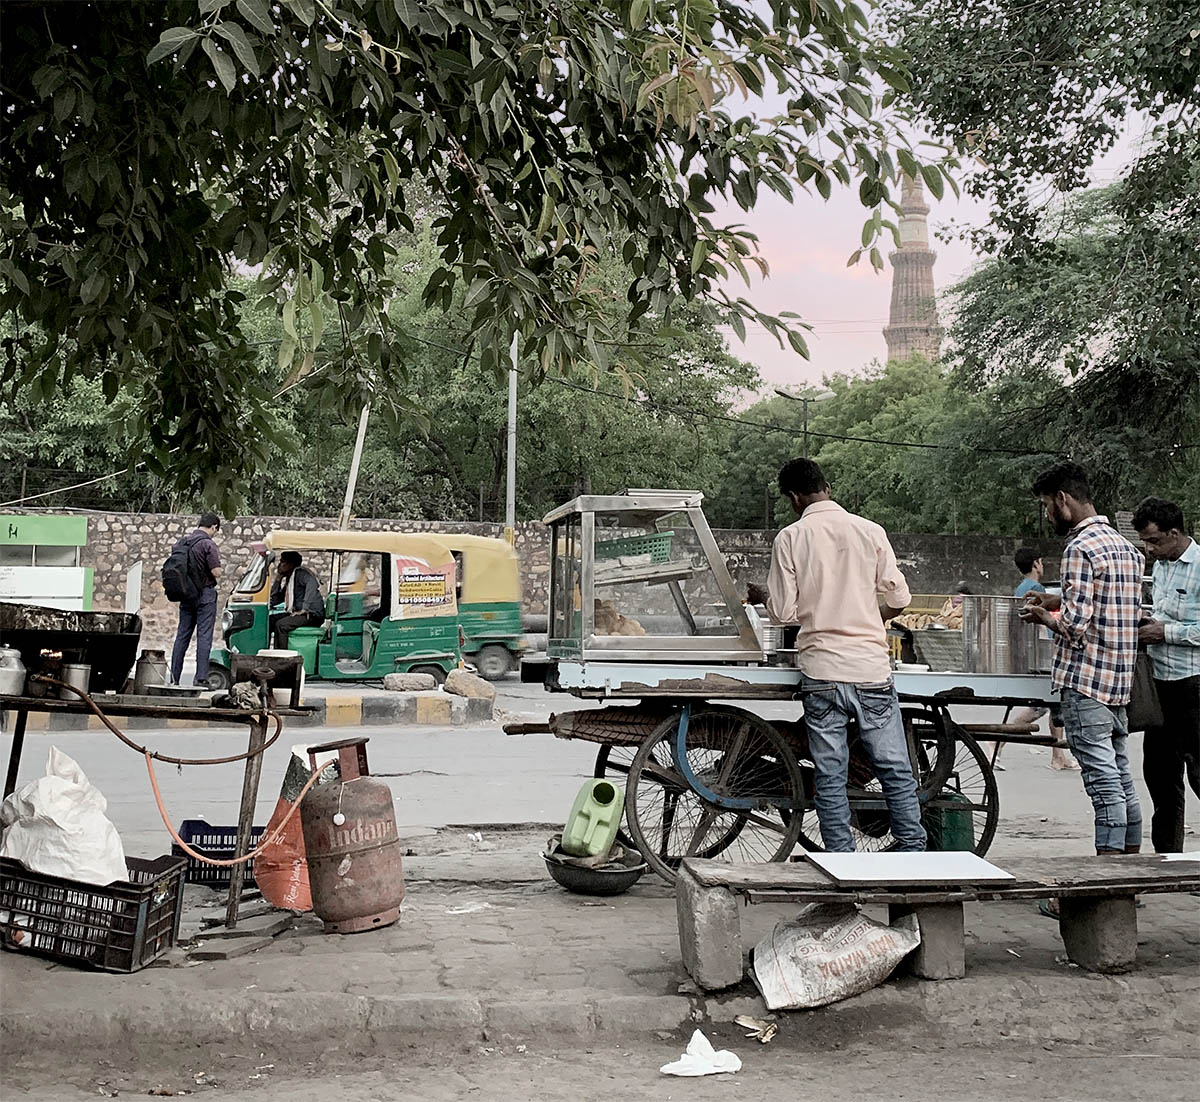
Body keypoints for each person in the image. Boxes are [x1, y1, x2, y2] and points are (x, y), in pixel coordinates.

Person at [749, 458, 926, 852]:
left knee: (830, 772)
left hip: (822, 670)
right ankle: (913, 848)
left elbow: (781, 612)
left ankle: (841, 859)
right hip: (870, 668)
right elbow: (900, 597)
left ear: (795, 498)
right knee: (895, 767)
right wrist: (872, 616)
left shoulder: (791, 538)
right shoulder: (870, 531)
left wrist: (767, 597)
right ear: (827, 487)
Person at [1019, 463, 1143, 873]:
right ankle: (1128, 871)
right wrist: (1054, 599)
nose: (1048, 515)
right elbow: (1110, 606)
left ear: (1063, 500)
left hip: (1086, 680)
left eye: (1047, 506)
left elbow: (1075, 625)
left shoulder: (1079, 548)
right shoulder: (1126, 547)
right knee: (1121, 775)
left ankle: (1107, 875)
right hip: (1120, 679)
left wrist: (1043, 617)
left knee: (1102, 780)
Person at [1132, 497, 1200, 853]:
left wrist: (1167, 632)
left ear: (1175, 534)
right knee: (1160, 776)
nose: (1150, 548)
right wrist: (1147, 623)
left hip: (1193, 685)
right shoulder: (1159, 567)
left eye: (1155, 540)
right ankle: (1167, 859)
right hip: (1159, 686)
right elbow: (1160, 611)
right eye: (1145, 541)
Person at [1009, 546, 1078, 771]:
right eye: (1041, 562)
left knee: (1050, 707)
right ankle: (997, 740)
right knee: (1045, 707)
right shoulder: (1036, 588)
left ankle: (1058, 756)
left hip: (1030, 652)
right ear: (1036, 564)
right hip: (1042, 652)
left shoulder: (1021, 588)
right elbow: (1042, 623)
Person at [169, 512, 222, 689]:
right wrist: (221, 571)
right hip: (205, 595)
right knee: (204, 636)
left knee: (182, 636)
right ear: (213, 526)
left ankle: (174, 677)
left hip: (185, 595)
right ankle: (200, 678)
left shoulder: (182, 543)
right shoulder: (208, 544)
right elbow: (215, 572)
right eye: (216, 529)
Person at [269, 551, 325, 649]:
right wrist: (278, 579)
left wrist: (304, 608)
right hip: (298, 613)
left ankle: (282, 658)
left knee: (281, 625)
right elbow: (276, 600)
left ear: (290, 564)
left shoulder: (300, 574)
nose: (279, 565)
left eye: (282, 562)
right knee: (269, 621)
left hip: (312, 615)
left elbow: (312, 583)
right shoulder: (290, 580)